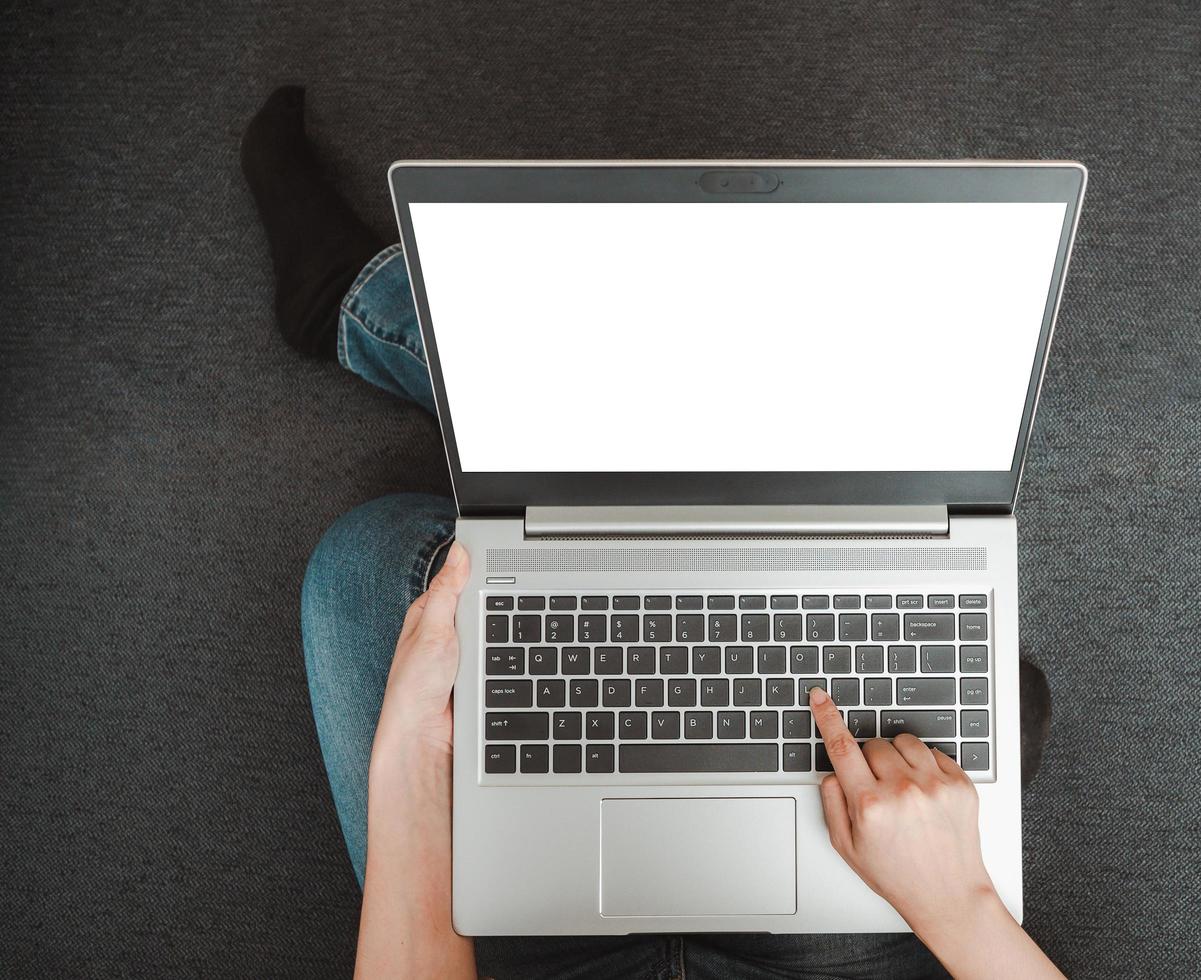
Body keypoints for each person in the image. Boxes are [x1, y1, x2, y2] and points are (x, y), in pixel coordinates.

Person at [243, 87, 1063, 980]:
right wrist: (963, 907)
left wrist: (411, 757)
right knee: (986, 682)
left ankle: (367, 309)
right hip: (854, 935)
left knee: (372, 561)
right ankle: (372, 311)